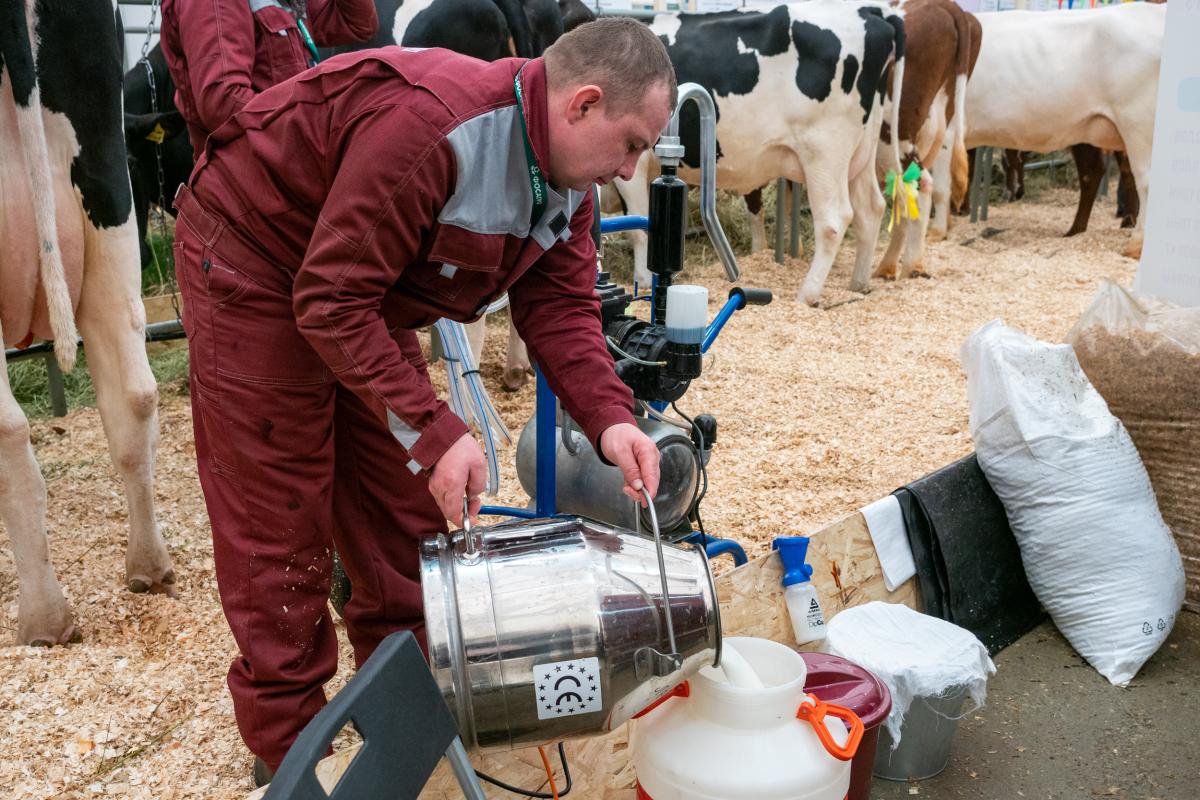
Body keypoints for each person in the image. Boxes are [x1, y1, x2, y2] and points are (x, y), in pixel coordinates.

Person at [171, 17, 672, 783]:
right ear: (582, 104)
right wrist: (437, 430)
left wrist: (610, 420)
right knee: (280, 520)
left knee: (403, 515)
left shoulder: (569, 186)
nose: (629, 169)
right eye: (633, 143)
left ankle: (404, 720)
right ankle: (294, 758)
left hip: (356, 289)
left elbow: (563, 308)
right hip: (259, 259)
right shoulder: (436, 128)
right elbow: (329, 300)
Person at [160, 0, 379, 156]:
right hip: (250, 188)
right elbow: (223, 101)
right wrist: (320, 124)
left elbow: (357, 24)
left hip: (287, 173)